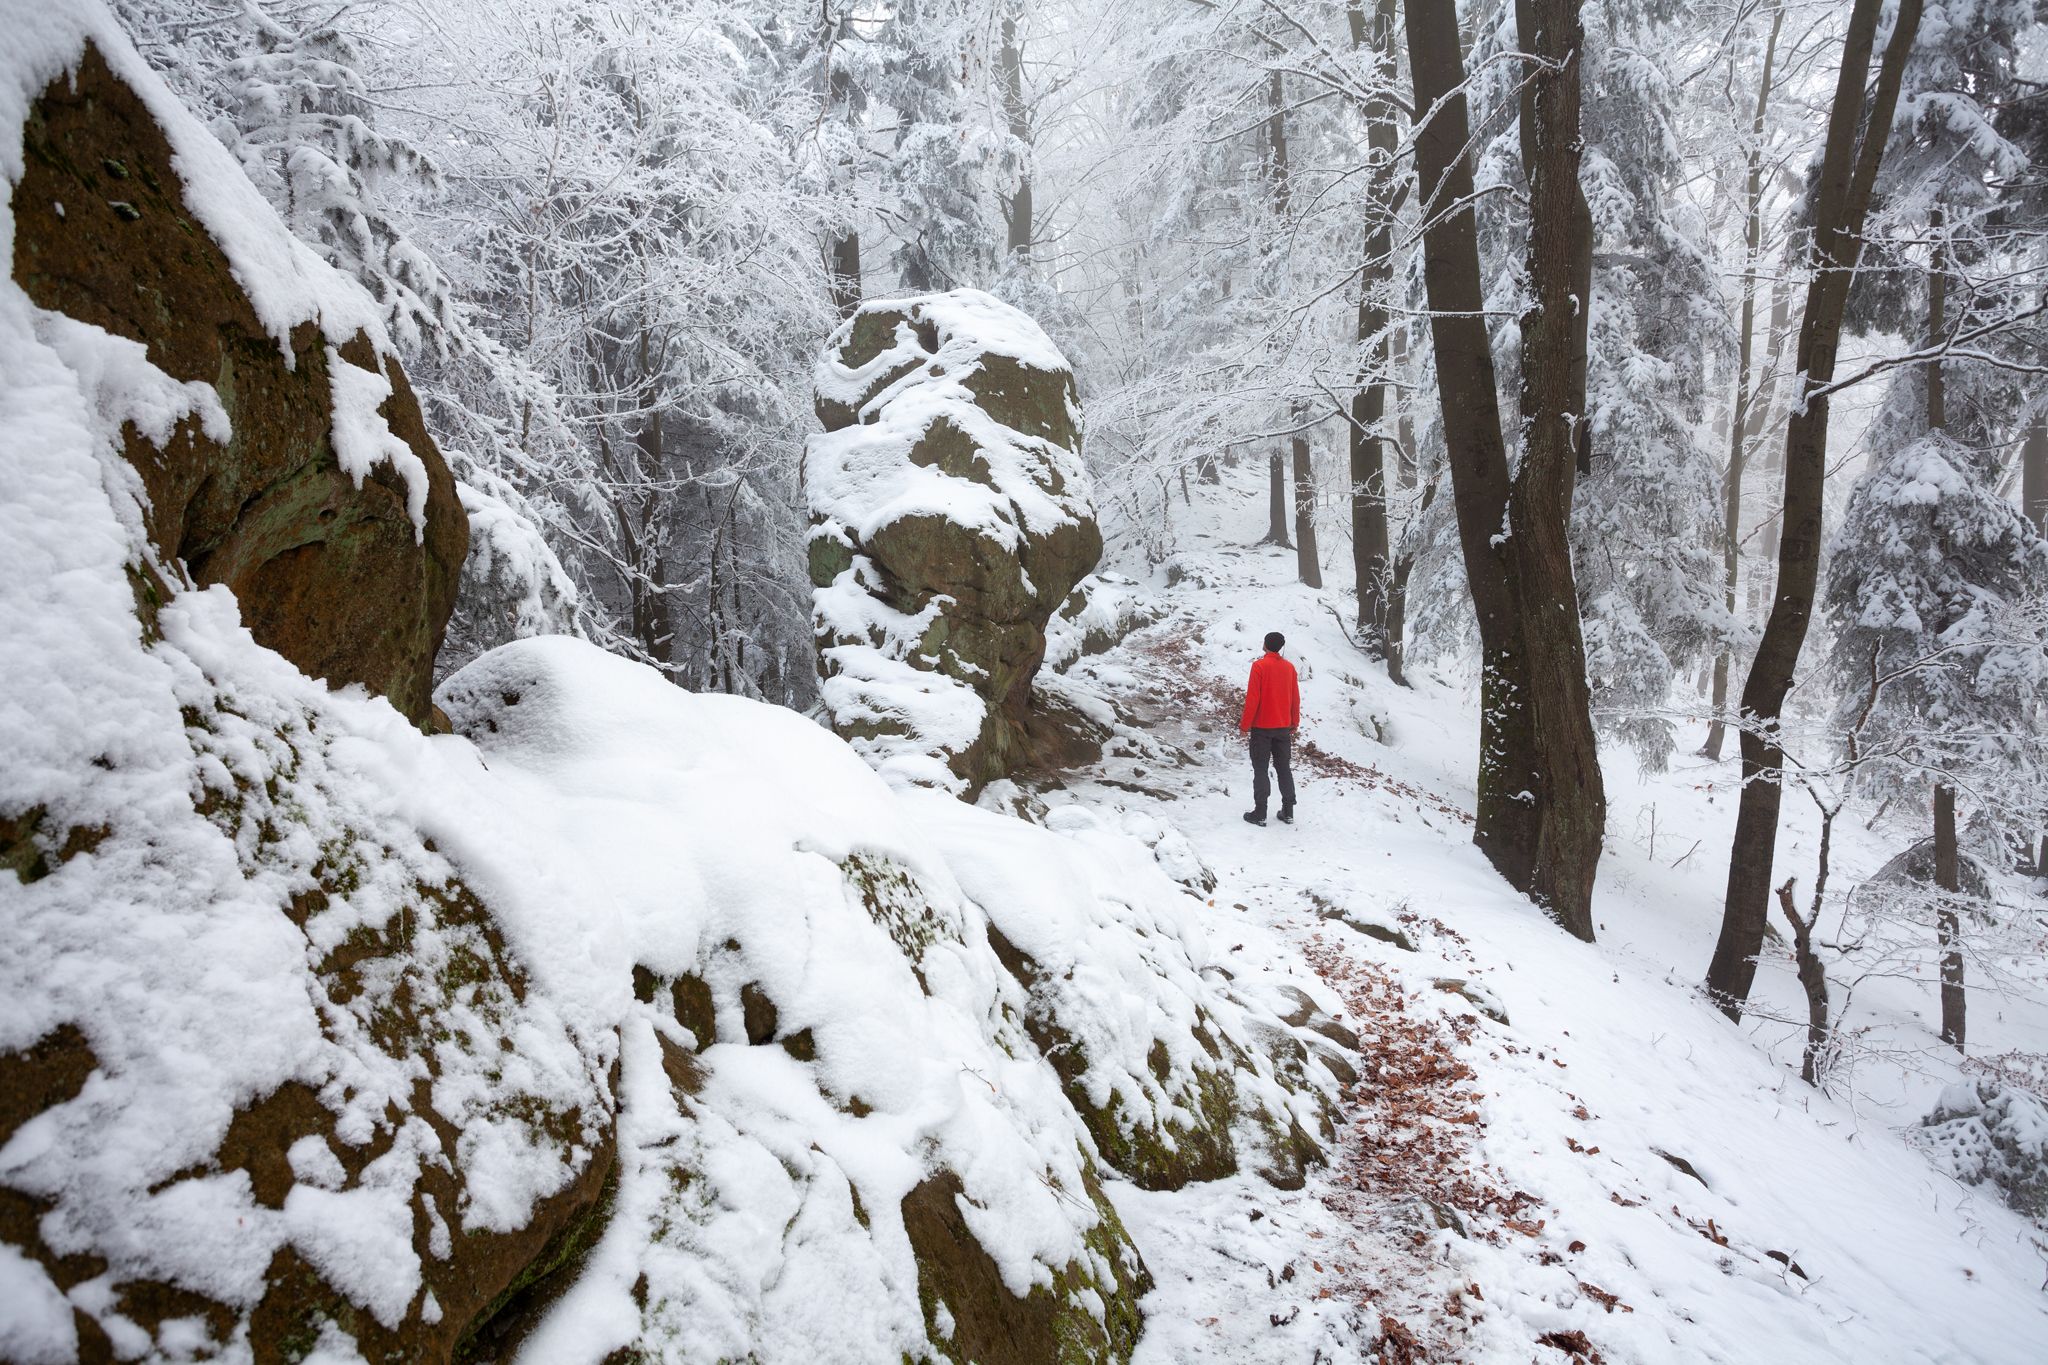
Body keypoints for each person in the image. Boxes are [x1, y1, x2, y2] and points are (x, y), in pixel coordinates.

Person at [1239, 631, 1299, 826]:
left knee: (1261, 769)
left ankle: (1260, 812)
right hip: (1283, 727)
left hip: (1262, 728)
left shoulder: (1259, 666)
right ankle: (1288, 811)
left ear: (1265, 644)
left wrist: (1245, 725)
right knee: (1284, 768)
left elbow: (1253, 699)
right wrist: (1294, 722)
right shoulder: (1289, 668)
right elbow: (1295, 698)